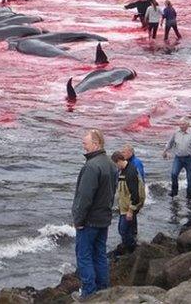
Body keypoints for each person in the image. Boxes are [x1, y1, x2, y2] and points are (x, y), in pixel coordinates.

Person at [71, 128, 117, 300]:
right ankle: (103, 289)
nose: (83, 145)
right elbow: (112, 193)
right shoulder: (111, 164)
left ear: (96, 144)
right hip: (103, 218)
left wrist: (78, 219)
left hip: (90, 220)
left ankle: (89, 292)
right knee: (99, 254)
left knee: (84, 256)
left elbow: (84, 197)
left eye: (86, 143)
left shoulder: (91, 166)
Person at [111, 151, 144, 254]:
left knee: (123, 229)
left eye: (116, 164)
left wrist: (131, 210)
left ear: (119, 161)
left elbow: (135, 194)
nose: (116, 167)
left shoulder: (130, 172)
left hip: (129, 207)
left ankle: (131, 249)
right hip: (124, 206)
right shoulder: (123, 170)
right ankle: (130, 247)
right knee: (127, 229)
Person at [163, 120, 191, 200]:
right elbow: (170, 143)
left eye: (183, 124)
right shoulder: (176, 133)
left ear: (188, 124)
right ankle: (174, 192)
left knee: (189, 178)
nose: (181, 126)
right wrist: (165, 151)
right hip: (178, 158)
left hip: (190, 159)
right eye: (180, 124)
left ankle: (189, 196)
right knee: (174, 174)